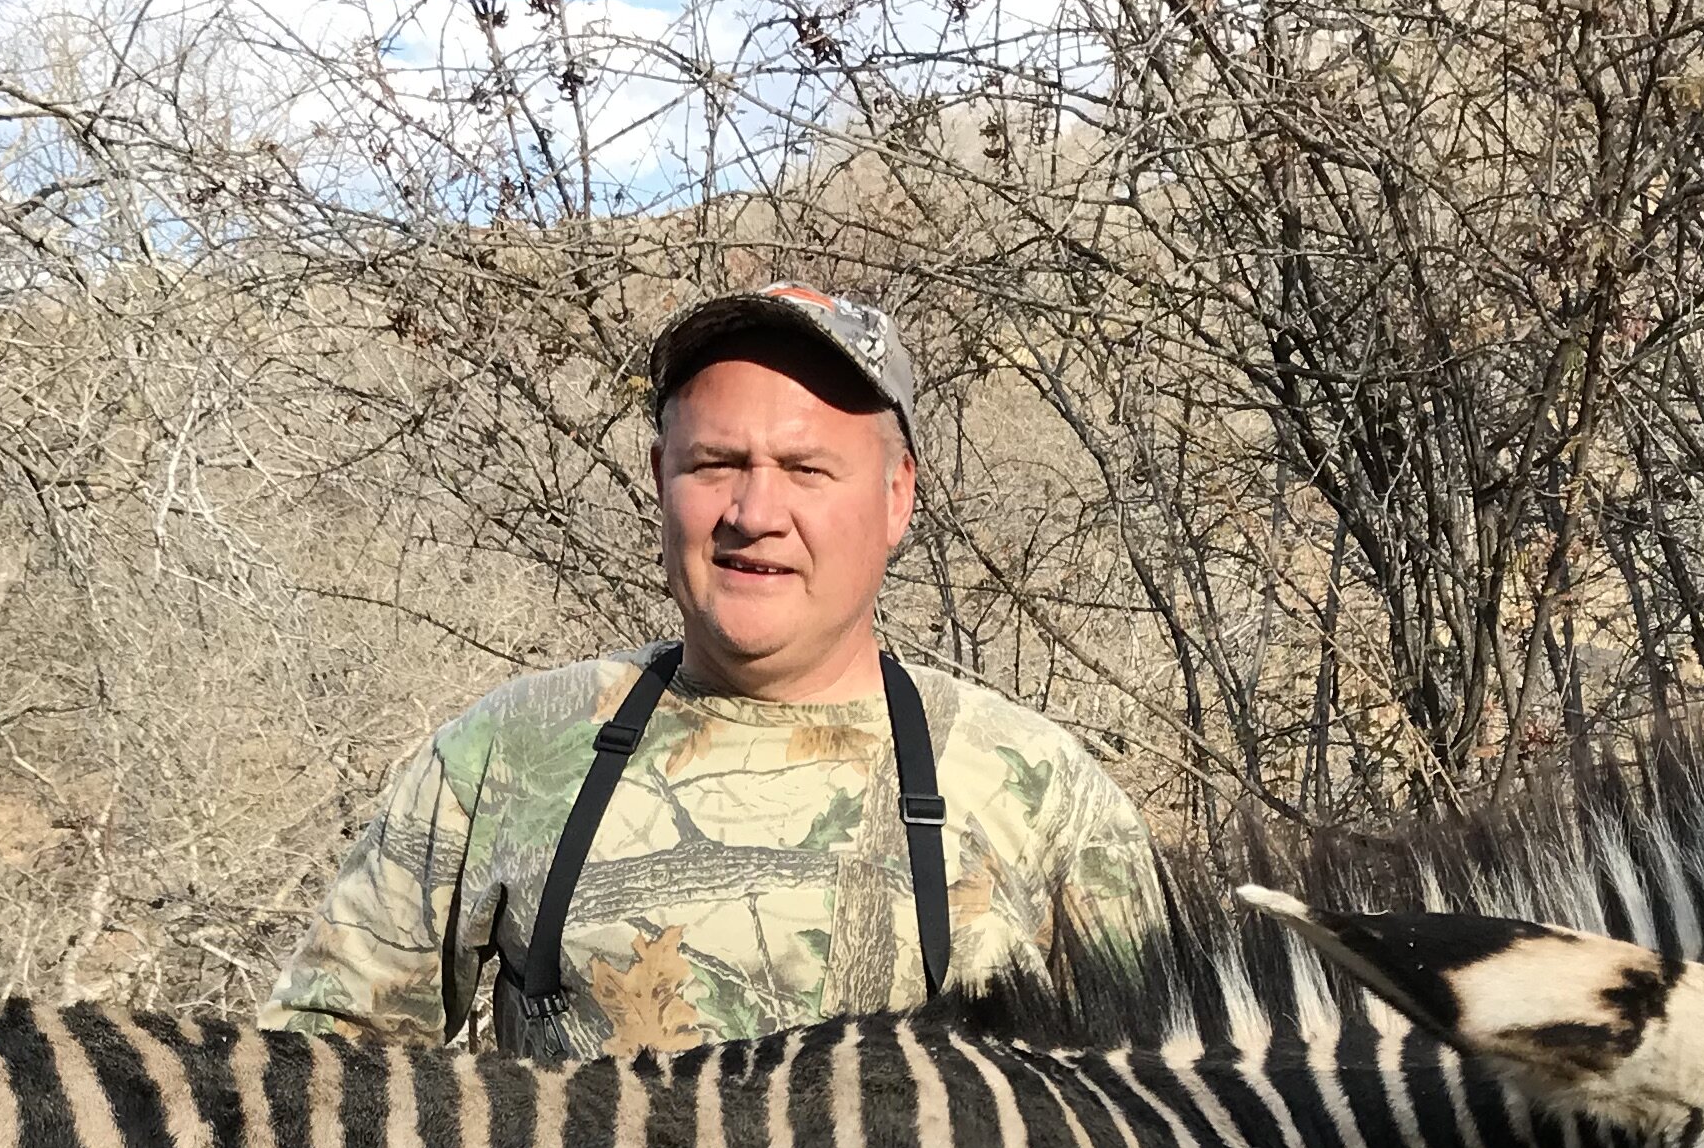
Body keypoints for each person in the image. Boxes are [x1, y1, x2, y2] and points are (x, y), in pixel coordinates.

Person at [266, 283, 1165, 1056]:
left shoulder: (1042, 789)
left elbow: (1167, 1123)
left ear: (898, 497)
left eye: (808, 469)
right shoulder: (508, 749)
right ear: (661, 477)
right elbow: (316, 1071)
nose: (755, 511)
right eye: (717, 464)